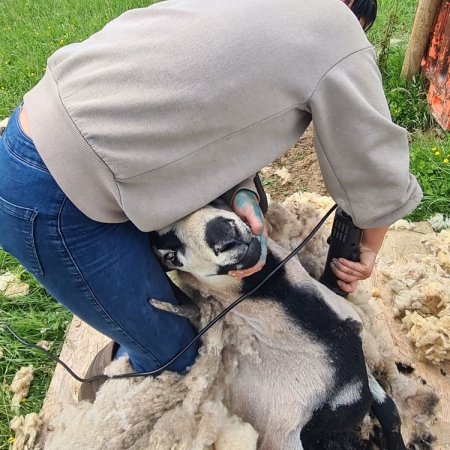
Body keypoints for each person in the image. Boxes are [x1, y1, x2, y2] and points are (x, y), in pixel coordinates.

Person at [0, 0, 422, 401]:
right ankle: (120, 379)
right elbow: (376, 173)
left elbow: (207, 104)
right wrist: (366, 248)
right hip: (54, 193)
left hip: (47, 131)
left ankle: (128, 314)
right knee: (178, 359)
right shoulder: (337, 25)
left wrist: (242, 191)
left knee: (185, 294)